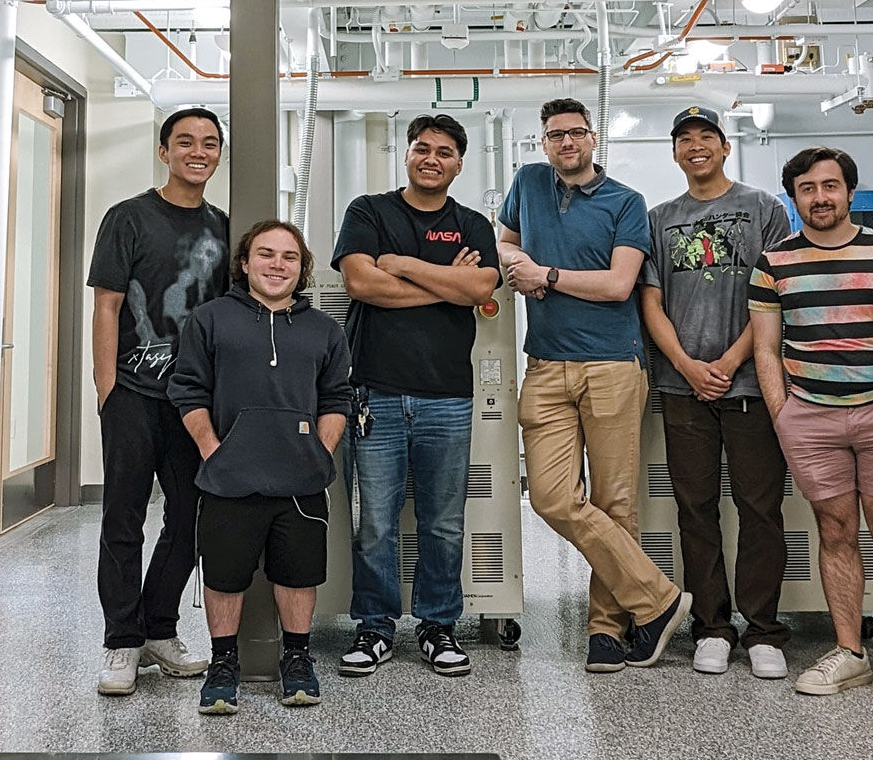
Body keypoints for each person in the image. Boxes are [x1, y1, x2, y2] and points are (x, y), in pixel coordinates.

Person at [498, 97, 691, 674]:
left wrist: (546, 276)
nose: (565, 143)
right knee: (553, 497)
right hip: (546, 365)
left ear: (593, 138)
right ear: (544, 142)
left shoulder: (625, 202)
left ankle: (607, 630)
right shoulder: (529, 183)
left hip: (612, 363)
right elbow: (503, 238)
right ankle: (656, 600)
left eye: (575, 133)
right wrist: (516, 264)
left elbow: (618, 284)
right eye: (554, 134)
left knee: (615, 502)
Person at [750, 146, 873, 706]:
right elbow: (766, 348)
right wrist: (783, 413)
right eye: (807, 188)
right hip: (809, 414)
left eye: (830, 186)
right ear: (794, 196)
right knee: (835, 530)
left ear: (849, 192)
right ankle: (850, 652)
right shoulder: (774, 262)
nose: (820, 197)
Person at [333, 114, 499, 679]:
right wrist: (444, 285)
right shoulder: (369, 211)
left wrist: (402, 266)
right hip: (375, 393)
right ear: (407, 154)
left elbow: (479, 287)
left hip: (447, 396)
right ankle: (375, 626)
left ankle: (438, 626)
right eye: (422, 148)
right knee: (375, 521)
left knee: (444, 521)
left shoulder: (473, 223)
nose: (433, 158)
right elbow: (360, 283)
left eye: (445, 152)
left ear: (459, 162)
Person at [170, 220, 352, 714]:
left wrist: (321, 449)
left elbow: (337, 397)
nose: (277, 264)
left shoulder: (324, 330)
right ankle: (223, 665)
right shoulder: (210, 319)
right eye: (266, 254)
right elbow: (187, 389)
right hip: (230, 477)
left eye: (289, 257)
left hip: (301, 479)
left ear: (302, 268)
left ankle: (297, 660)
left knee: (297, 575)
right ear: (245, 263)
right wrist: (213, 449)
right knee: (225, 576)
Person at [639, 106, 791, 679]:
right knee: (694, 510)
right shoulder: (659, 219)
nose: (695, 146)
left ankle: (765, 631)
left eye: (707, 137)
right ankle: (711, 626)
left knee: (761, 508)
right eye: (684, 139)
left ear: (725, 147)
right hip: (682, 389)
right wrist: (685, 364)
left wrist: (727, 362)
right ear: (674, 153)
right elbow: (650, 300)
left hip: (751, 384)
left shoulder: (762, 209)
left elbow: (773, 296)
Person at [87, 107, 229, 696]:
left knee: (192, 518)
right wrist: (106, 390)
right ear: (164, 150)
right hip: (133, 393)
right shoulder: (128, 218)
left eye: (210, 143)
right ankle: (121, 642)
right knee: (122, 518)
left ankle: (158, 628)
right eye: (186, 142)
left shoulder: (223, 224)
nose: (199, 152)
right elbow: (107, 306)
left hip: (193, 400)